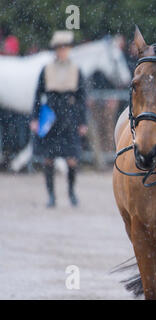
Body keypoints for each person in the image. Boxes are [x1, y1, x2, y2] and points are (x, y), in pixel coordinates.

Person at [30, 30, 87, 208]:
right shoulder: (46, 69)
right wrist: (35, 117)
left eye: (65, 48)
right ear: (55, 49)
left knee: (72, 159)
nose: (62, 51)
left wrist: (82, 121)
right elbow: (38, 95)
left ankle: (71, 192)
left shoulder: (76, 70)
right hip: (51, 115)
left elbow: (82, 98)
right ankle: (51, 196)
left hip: (69, 116)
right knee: (48, 159)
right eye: (59, 48)